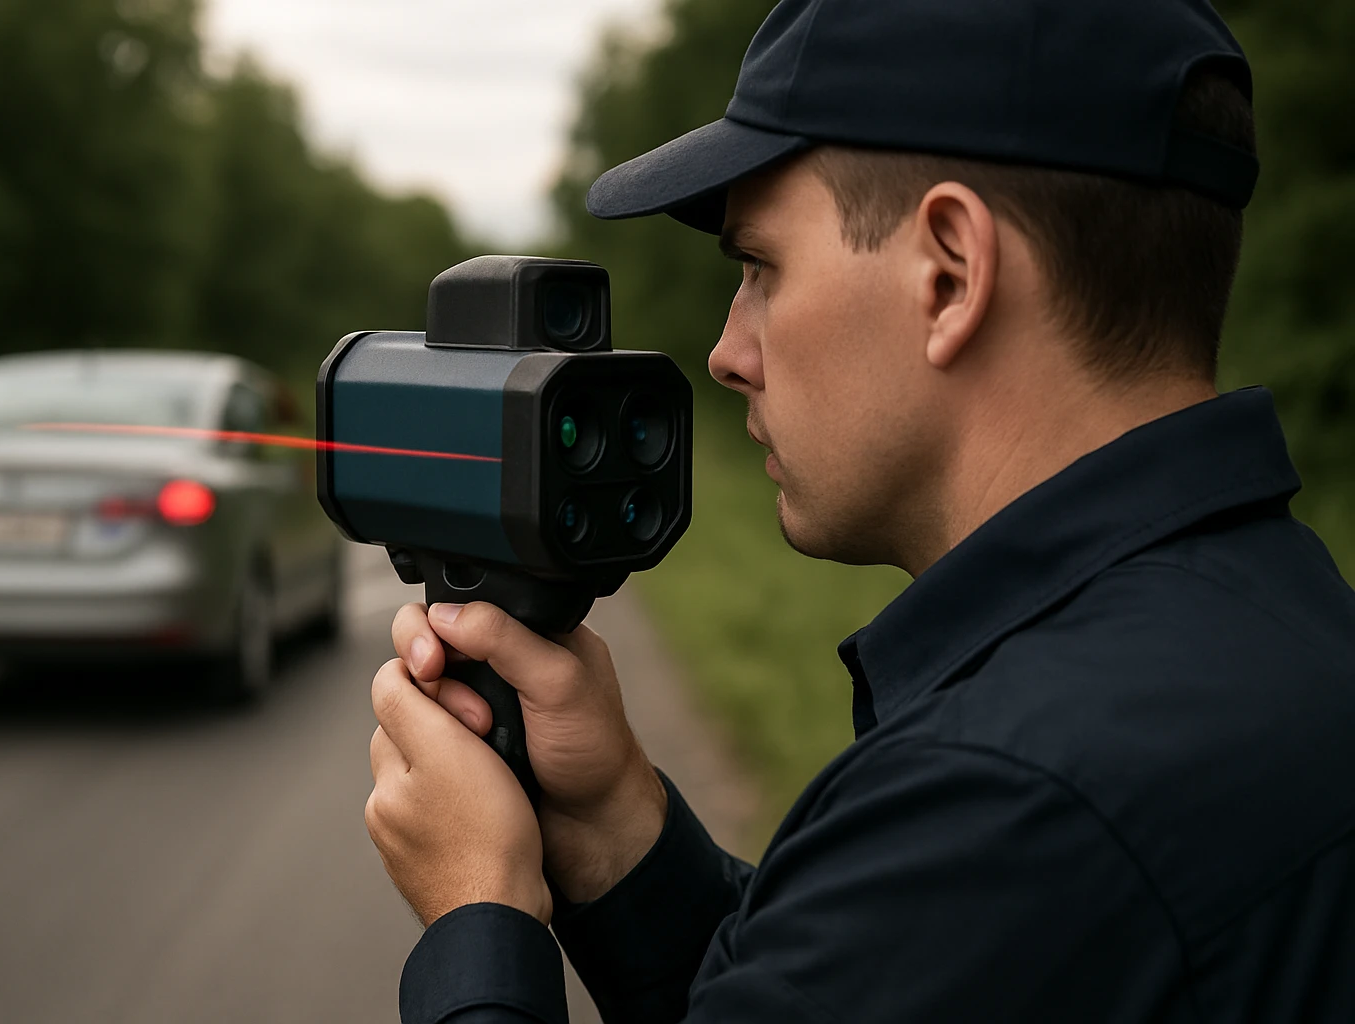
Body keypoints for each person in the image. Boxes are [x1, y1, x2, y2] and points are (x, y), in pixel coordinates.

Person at [363, 0, 1355, 1020]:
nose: (727, 351)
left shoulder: (1012, 799)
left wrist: (479, 914)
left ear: (949, 274)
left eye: (761, 268)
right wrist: (620, 830)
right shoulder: (1287, 628)